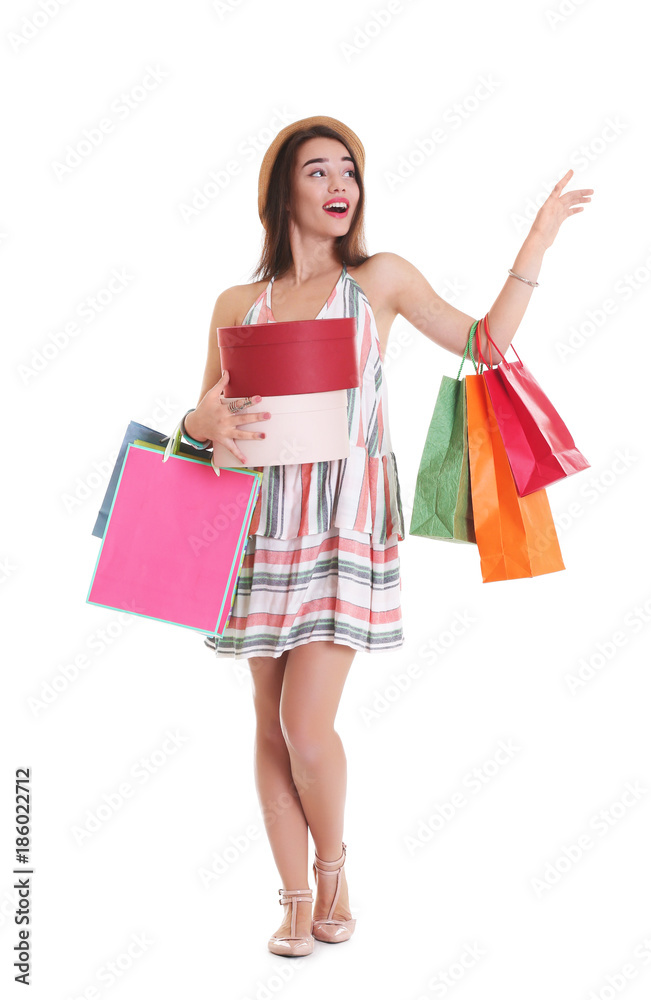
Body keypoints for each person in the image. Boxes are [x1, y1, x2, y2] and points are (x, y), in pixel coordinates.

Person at [181, 116, 593, 955]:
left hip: (344, 526)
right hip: (260, 529)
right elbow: (204, 426)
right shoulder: (236, 303)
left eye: (350, 172)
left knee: (304, 723)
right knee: (265, 722)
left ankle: (332, 869)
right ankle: (295, 899)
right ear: (281, 191)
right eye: (318, 171)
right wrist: (198, 417)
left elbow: (485, 342)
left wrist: (539, 238)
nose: (340, 186)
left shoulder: (381, 281)